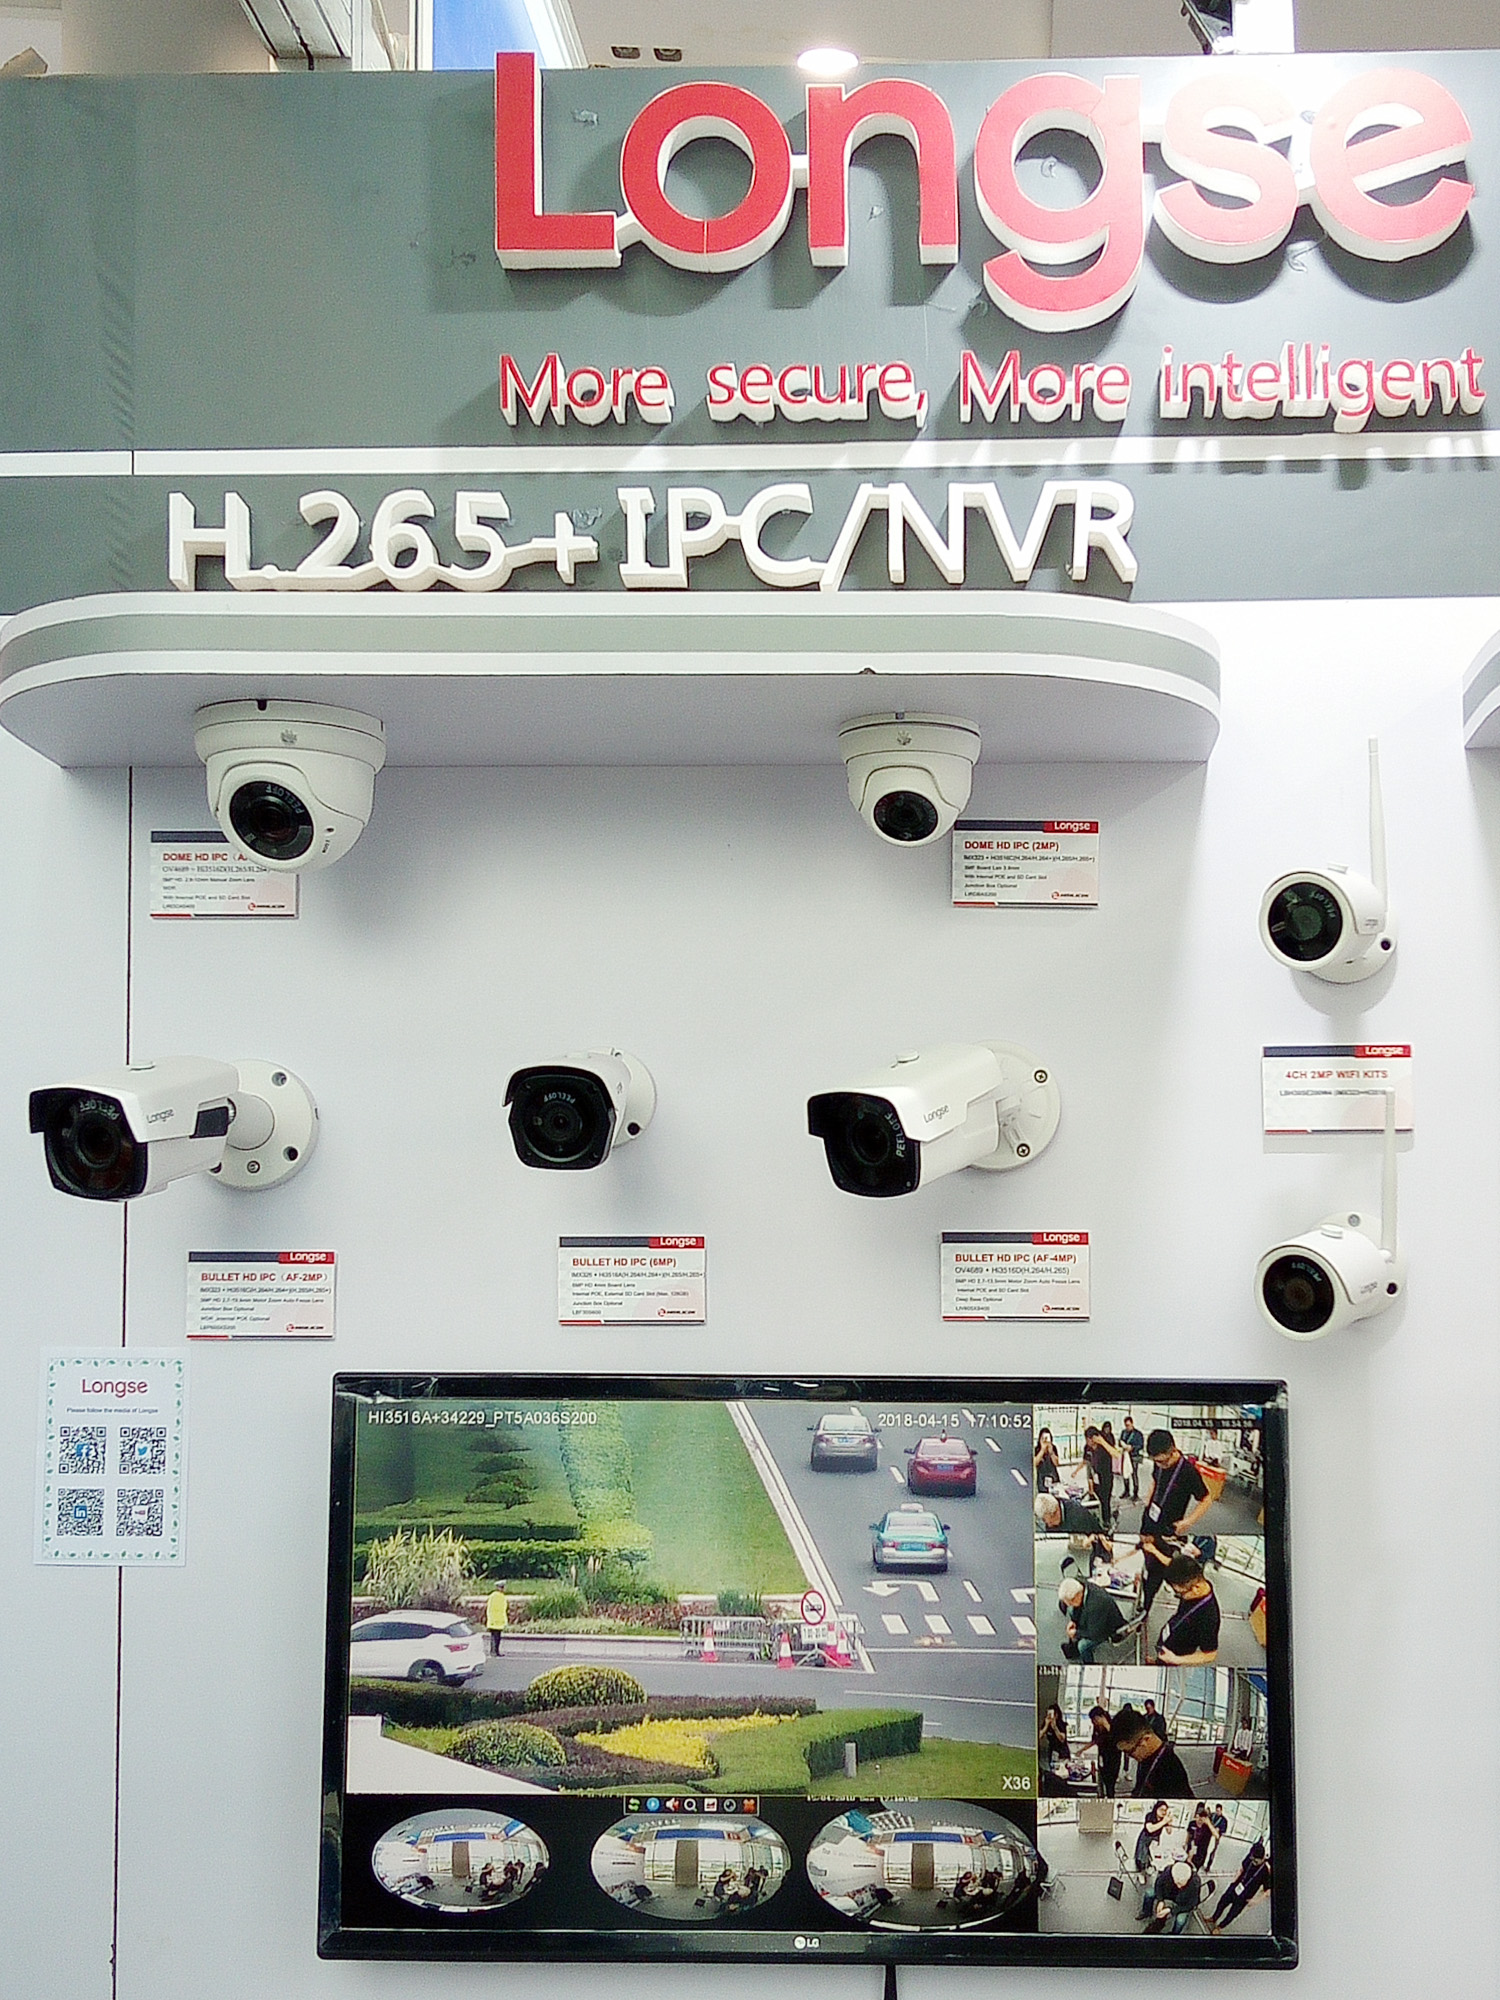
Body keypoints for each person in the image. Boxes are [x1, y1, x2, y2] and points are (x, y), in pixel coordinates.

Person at [1139, 1430, 1214, 1619]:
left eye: (1162, 1461)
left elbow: (1206, 1499)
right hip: (1151, 1520)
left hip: (1170, 1532)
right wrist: (1149, 1498)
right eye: (1156, 1461)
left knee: (1167, 1574)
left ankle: (1175, 1610)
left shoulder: (1188, 1471)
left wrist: (1189, 1521)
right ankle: (1145, 1604)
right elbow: (1155, 1479)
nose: (1159, 1465)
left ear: (1173, 1451)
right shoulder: (1159, 1463)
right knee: (1149, 1570)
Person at [1109, 1704, 1194, 1798]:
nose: (1129, 1756)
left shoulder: (1170, 1770)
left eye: (1129, 1751)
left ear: (1145, 1739)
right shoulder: (1146, 1759)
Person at [1154, 1554, 1222, 1665]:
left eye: (1179, 1593)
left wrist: (1175, 1659)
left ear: (1196, 1588)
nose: (1177, 1596)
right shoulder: (1194, 1583)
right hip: (1173, 1631)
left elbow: (1210, 1654)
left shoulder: (1209, 1618)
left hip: (1177, 1652)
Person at [1059, 1575, 1127, 1664]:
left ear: (1078, 1595)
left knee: (1083, 1646)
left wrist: (1076, 1633)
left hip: (1106, 1628)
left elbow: (1094, 1634)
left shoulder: (1097, 1605)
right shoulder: (1079, 1585)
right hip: (1094, 1619)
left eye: (1071, 1601)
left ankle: (1089, 1664)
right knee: (1071, 1610)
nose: (1069, 1604)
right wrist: (1073, 1620)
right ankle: (1074, 1645)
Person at [1208, 1840, 1271, 1933]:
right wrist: (1234, 1880)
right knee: (1222, 1902)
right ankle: (1214, 1918)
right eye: (1252, 1858)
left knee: (1232, 1914)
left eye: (1255, 1861)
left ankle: (1220, 1927)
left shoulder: (1265, 1871)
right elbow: (1242, 1868)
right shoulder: (1250, 1857)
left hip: (1245, 1896)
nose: (1253, 1861)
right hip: (1236, 1886)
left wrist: (1256, 1901)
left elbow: (1268, 1891)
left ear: (1262, 1859)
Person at [1146, 1858, 1204, 1935]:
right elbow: (1158, 1884)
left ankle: (1174, 1934)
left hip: (1183, 1903)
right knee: (1149, 1893)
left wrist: (1171, 1910)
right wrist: (1160, 1900)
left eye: (1181, 1884)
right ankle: (1146, 1913)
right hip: (1169, 1895)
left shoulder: (1195, 1883)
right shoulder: (1168, 1871)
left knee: (1181, 1920)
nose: (1179, 1886)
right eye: (1177, 1883)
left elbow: (1191, 1904)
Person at [1082, 1425, 1116, 1530]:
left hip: (1106, 1477)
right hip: (1096, 1478)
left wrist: (1102, 1442)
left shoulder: (1104, 1447)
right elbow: (1088, 1463)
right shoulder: (1088, 1448)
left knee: (1105, 1500)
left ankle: (1106, 1521)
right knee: (1097, 1500)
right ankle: (1098, 1520)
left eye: (1088, 1439)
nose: (1087, 1441)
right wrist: (1090, 1481)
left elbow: (1116, 1454)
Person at [1089, 1704, 1122, 1798]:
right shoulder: (1097, 1728)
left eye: (1095, 1719)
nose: (1094, 1722)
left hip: (1113, 1760)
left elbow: (1117, 1742)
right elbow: (1095, 1740)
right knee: (1102, 1781)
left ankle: (1110, 1798)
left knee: (1110, 1785)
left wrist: (1106, 1726)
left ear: (1101, 1717)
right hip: (1102, 1757)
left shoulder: (1113, 1726)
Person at [1120, 1415, 1145, 1501]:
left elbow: (1141, 1445)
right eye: (1126, 1425)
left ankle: (1135, 1493)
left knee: (1134, 1474)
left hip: (1134, 1456)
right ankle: (1126, 1491)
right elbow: (1120, 1441)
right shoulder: (1123, 1433)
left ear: (1132, 1424)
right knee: (1125, 1473)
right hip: (1125, 1455)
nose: (1127, 1427)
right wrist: (1122, 1445)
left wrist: (1132, 1448)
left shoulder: (1138, 1434)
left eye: (1128, 1425)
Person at [1184, 1804, 1215, 1871]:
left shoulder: (1208, 1828)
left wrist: (1209, 1823)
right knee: (1186, 1867)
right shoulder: (1192, 1824)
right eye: (1197, 1818)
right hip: (1189, 1850)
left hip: (1200, 1853)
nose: (1199, 1821)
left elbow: (1216, 1835)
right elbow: (1188, 1834)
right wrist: (1185, 1843)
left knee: (1194, 1869)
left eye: (1201, 1819)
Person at [1039, 1702, 1070, 1767]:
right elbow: (1039, 1736)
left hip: (1062, 1752)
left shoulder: (1061, 1724)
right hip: (1052, 1751)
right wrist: (1046, 1726)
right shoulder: (1046, 1724)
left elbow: (1062, 1739)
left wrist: (1055, 1728)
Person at [1034, 1427, 1062, 1491]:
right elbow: (1035, 1463)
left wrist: (1051, 1452)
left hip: (1053, 1477)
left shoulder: (1053, 1448)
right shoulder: (1037, 1449)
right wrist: (1042, 1450)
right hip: (1042, 1479)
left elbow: (1056, 1463)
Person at [484, 1585, 509, 1655]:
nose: (503, 1589)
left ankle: (496, 1651)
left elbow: (503, 1610)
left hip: (499, 1620)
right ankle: (493, 1651)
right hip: (494, 1620)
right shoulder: (494, 1596)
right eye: (502, 1587)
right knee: (494, 1637)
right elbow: (490, 1609)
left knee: (497, 1637)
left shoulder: (502, 1596)